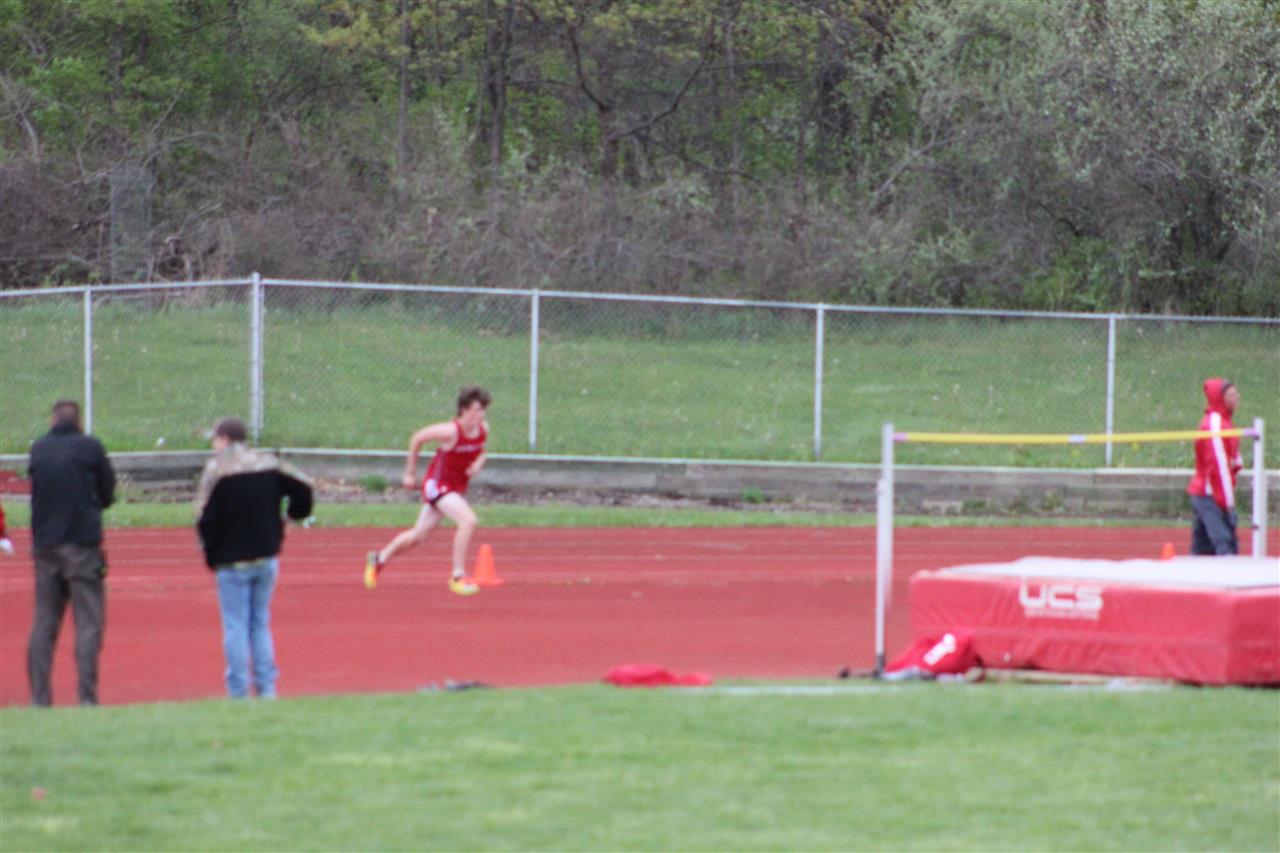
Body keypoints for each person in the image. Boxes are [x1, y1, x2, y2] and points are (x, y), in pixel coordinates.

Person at [196, 417, 313, 700]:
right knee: (259, 623)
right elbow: (304, 488)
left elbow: (204, 518)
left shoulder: (217, 469)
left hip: (232, 562)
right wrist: (290, 518)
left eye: (215, 439)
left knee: (235, 626)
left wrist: (211, 555)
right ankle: (267, 688)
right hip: (265, 556)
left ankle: (238, 691)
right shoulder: (268, 463)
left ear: (224, 439)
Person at [27, 400, 115, 707]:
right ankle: (87, 697)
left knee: (44, 623)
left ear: (53, 420)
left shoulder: (39, 449)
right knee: (88, 623)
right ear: (79, 421)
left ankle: (40, 699)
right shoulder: (91, 447)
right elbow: (107, 494)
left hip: (45, 546)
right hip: (82, 545)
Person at [365, 386, 491, 596]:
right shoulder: (450, 431)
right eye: (477, 410)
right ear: (464, 410)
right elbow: (417, 438)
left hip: (455, 487)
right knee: (468, 520)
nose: (481, 415)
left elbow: (482, 451)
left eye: (483, 410)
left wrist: (478, 464)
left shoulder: (483, 429)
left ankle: (379, 558)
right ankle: (458, 576)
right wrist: (410, 472)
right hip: (437, 485)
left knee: (418, 536)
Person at [1186, 378, 1243, 556]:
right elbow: (1218, 468)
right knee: (1224, 543)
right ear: (1220, 398)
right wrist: (1226, 503)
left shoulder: (1225, 422)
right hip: (1210, 494)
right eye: (1231, 395)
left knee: (1203, 548)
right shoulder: (1214, 425)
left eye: (1236, 394)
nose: (1237, 398)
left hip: (1212, 493)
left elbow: (1232, 456)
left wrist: (1237, 462)